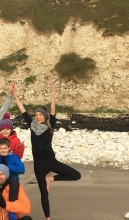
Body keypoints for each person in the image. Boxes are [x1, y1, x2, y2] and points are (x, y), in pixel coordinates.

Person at [12, 78, 81, 220]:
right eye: (36, 115)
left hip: (51, 161)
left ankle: (51, 179)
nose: (37, 117)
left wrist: (53, 92)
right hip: (39, 164)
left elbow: (54, 110)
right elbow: (22, 109)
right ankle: (48, 218)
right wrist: (14, 95)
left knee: (76, 175)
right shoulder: (31, 125)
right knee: (44, 193)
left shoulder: (50, 126)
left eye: (40, 115)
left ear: (45, 117)